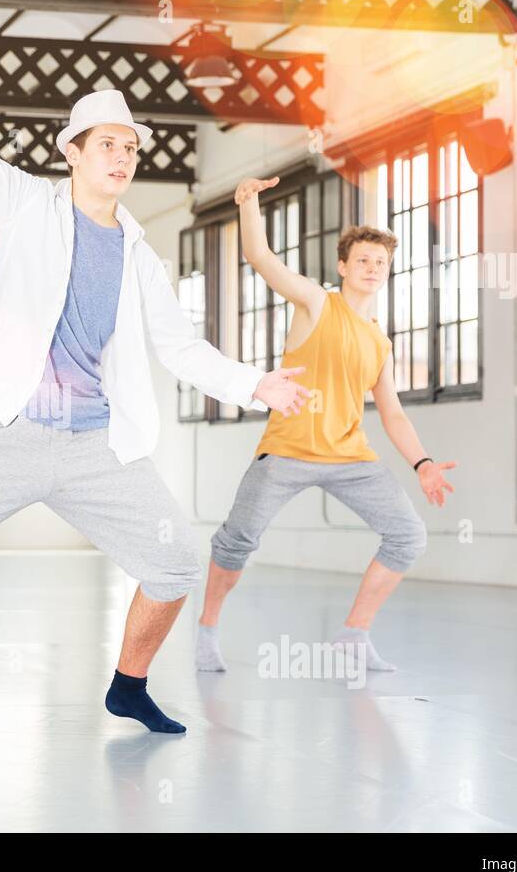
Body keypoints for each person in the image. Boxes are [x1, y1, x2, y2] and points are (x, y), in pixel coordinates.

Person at [0, 31, 310, 741]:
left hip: (93, 441)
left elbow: (179, 344)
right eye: (108, 144)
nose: (122, 157)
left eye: (131, 147)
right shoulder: (29, 206)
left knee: (176, 558)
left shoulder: (140, 255)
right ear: (73, 152)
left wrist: (253, 383)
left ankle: (128, 687)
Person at [196, 174, 458, 675]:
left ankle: (353, 635)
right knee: (237, 542)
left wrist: (422, 462)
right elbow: (261, 258)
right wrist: (248, 204)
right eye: (362, 260)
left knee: (408, 537)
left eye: (380, 262)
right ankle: (207, 628)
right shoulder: (317, 303)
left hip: (349, 458)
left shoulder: (380, 342)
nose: (372, 268)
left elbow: (394, 412)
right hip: (288, 451)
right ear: (343, 266)